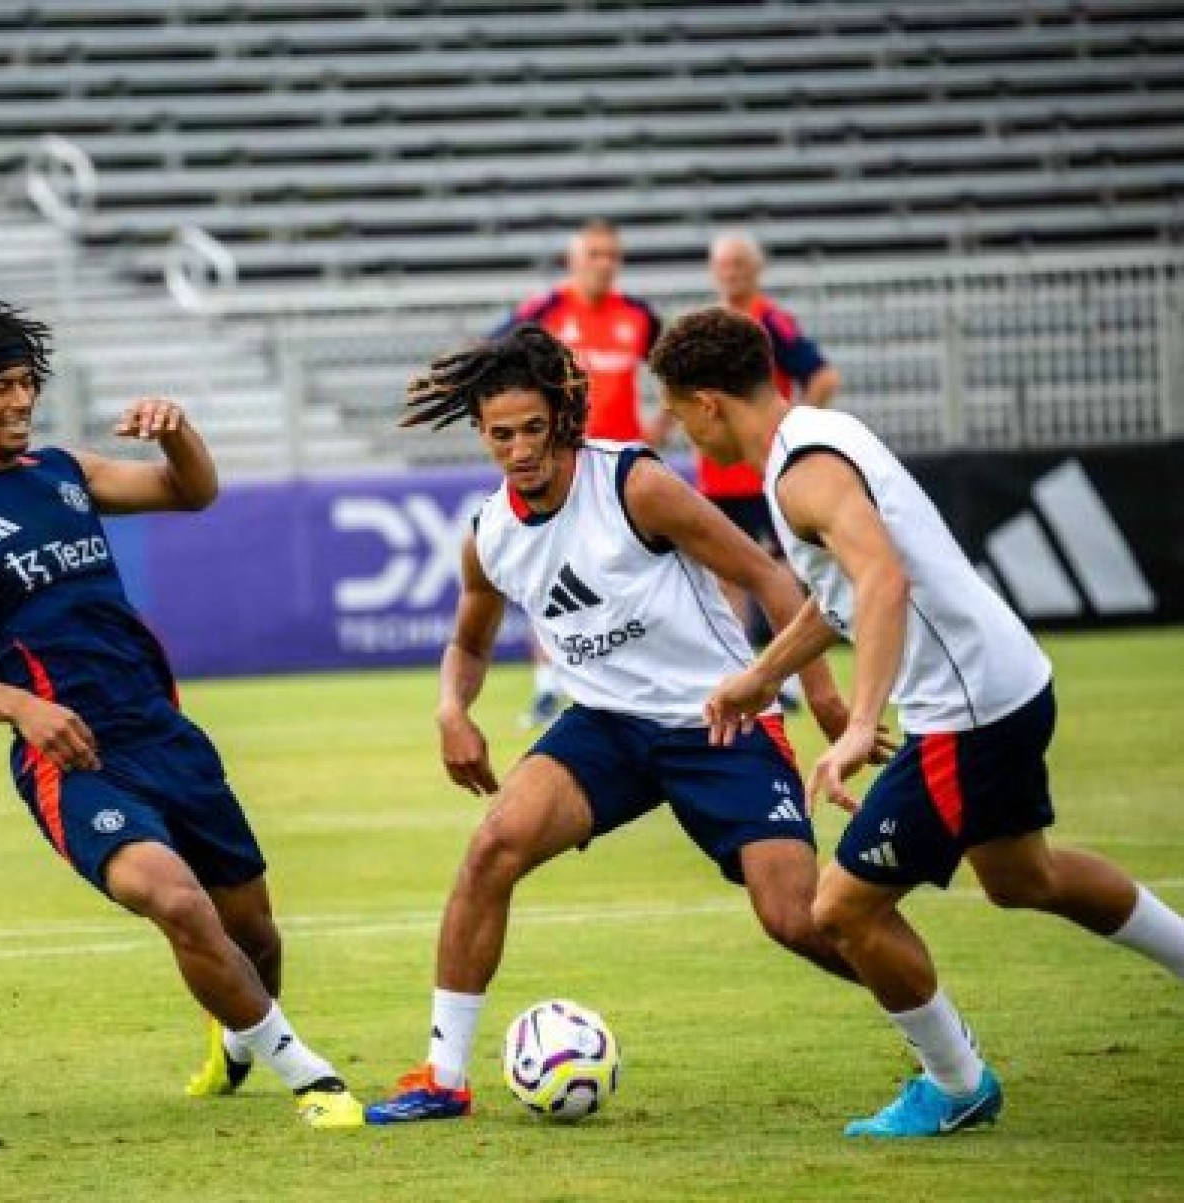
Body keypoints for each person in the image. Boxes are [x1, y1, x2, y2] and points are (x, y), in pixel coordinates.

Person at [648, 306, 1184, 1138]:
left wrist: (861, 723)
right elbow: (842, 600)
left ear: (710, 402)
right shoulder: (819, 432)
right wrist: (758, 677)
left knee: (839, 910)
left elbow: (884, 581)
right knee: (1022, 878)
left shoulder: (800, 475)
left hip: (963, 714)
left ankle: (956, 1081)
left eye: (679, 414)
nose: (680, 435)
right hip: (1006, 683)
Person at [365, 324, 865, 1125]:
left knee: (796, 918)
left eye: (535, 427)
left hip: (718, 720)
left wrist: (825, 695)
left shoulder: (635, 485)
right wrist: (452, 707)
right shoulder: (489, 535)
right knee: (493, 845)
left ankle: (937, 1028)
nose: (521, 448)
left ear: (561, 416)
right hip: (606, 726)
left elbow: (770, 576)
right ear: (480, 433)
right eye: (503, 434)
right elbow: (468, 639)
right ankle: (443, 1076)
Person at [0, 301, 363, 1130]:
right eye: (1, 385)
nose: (22, 397)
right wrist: (22, 707)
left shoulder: (65, 471)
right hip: (70, 757)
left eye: (29, 380)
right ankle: (311, 1076)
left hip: (162, 731)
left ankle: (239, 1041)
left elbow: (192, 491)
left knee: (256, 933)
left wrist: (177, 430)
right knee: (175, 900)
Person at [499, 220, 664, 726]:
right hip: (560, 464)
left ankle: (631, 682)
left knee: (628, 574)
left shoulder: (638, 316)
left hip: (623, 471)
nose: (603, 262)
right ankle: (548, 686)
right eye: (593, 253)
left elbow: (676, 371)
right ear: (573, 260)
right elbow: (496, 359)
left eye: (611, 254)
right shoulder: (544, 311)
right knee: (549, 572)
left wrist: (660, 425)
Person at [701, 232, 841, 646]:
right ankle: (740, 660)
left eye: (739, 264)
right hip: (721, 473)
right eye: (724, 265)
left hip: (765, 471)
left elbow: (823, 376)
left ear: (757, 269)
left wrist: (793, 429)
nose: (731, 273)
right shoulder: (709, 323)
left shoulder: (770, 319)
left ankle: (798, 672)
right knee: (727, 572)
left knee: (785, 568)